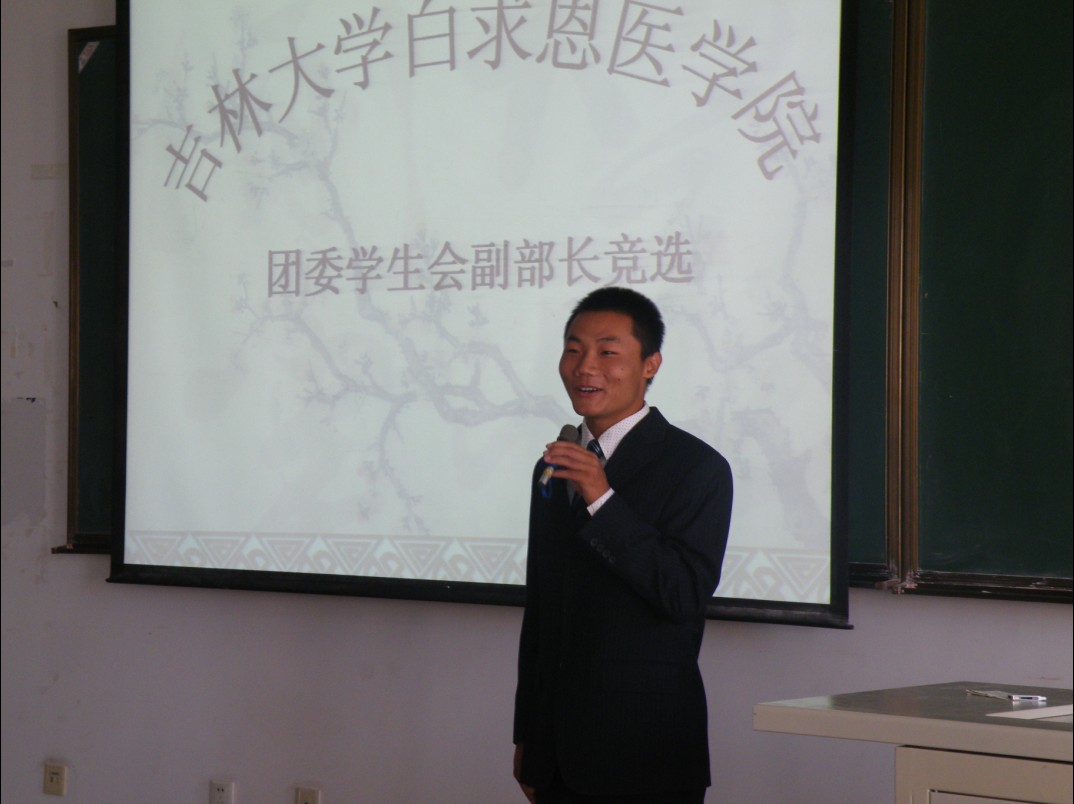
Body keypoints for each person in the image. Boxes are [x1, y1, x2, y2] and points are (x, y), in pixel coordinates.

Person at [512, 287, 733, 803]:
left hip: (646, 754)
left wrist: (603, 498)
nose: (585, 366)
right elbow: (541, 613)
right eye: (573, 349)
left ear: (650, 364)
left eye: (607, 351)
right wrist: (528, 736)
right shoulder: (555, 465)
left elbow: (681, 594)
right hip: (556, 755)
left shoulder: (697, 467)